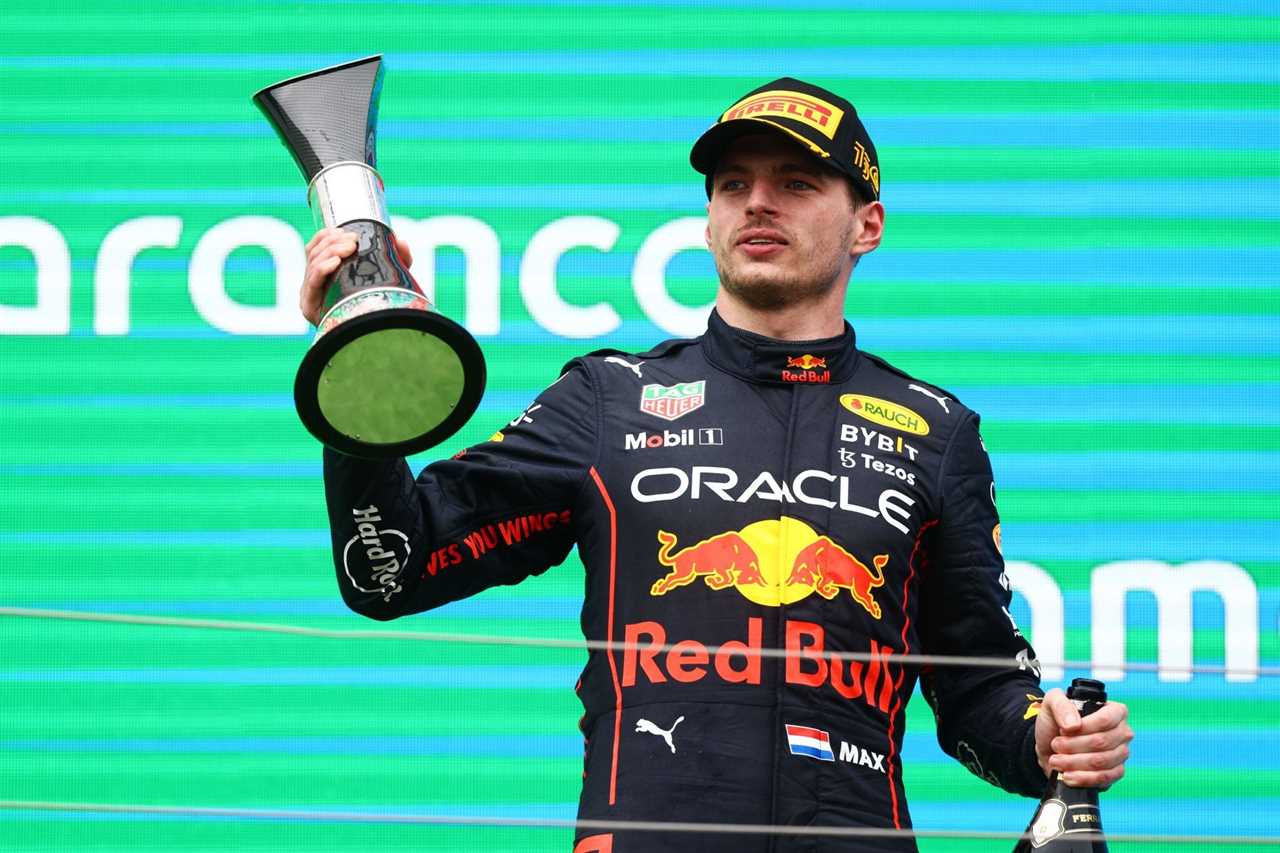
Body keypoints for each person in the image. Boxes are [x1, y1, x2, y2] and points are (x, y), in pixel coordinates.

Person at [301, 78, 1132, 852]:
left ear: (866, 224)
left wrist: (1045, 736)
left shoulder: (934, 429)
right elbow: (390, 571)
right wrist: (360, 364)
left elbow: (977, 688)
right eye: (734, 184)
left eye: (797, 182)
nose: (758, 202)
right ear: (707, 220)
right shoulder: (609, 397)